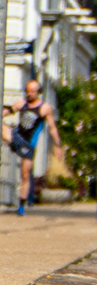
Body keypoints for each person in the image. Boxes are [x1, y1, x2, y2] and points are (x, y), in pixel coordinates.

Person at [5, 79, 49, 216]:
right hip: (18, 137)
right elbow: (8, 111)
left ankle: (22, 206)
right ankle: (13, 145)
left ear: (38, 92)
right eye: (27, 91)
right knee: (3, 128)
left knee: (25, 175)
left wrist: (58, 144)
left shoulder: (43, 108)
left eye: (32, 91)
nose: (29, 94)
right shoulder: (22, 104)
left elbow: (52, 127)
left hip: (29, 144)